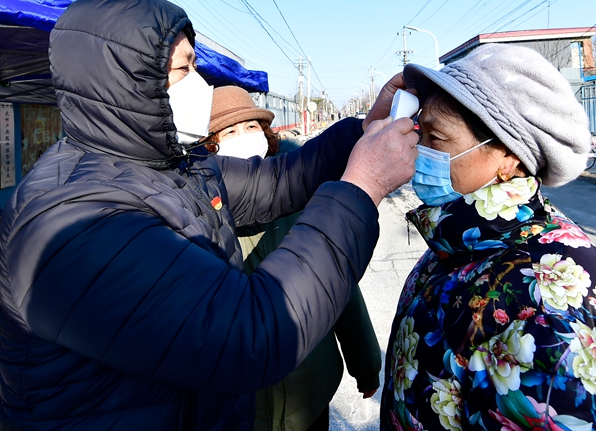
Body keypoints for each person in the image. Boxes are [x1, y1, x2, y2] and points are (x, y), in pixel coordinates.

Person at [0, 0, 418, 429]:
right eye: (183, 71)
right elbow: (253, 334)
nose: (198, 85)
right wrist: (362, 187)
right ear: (123, 83)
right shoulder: (72, 220)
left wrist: (363, 132)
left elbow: (275, 181)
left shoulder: (171, 165)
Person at [380, 43, 596, 430]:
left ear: (508, 157)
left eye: (437, 138)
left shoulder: (548, 306)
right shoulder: (460, 243)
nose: (417, 150)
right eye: (421, 132)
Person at [205, 85, 381, 431]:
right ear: (209, 146)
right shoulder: (198, 214)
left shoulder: (300, 193)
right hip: (242, 408)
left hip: (311, 392)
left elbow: (336, 284)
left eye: (252, 126)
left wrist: (366, 364)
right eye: (229, 131)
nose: (244, 136)